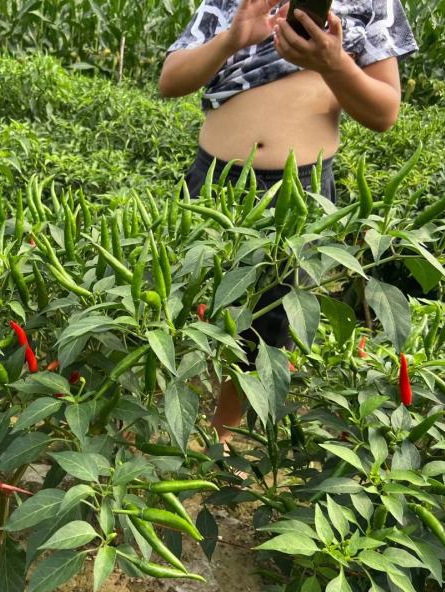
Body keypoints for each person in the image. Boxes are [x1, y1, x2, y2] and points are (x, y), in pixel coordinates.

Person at [159, 0, 418, 449]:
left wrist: (334, 63)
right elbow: (170, 81)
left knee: (266, 323)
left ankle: (221, 437)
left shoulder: (372, 3)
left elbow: (384, 113)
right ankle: (164, 418)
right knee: (179, 302)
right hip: (213, 181)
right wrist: (232, 39)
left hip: (297, 190)